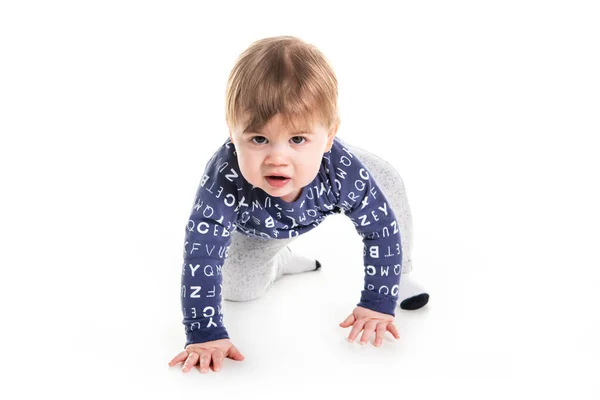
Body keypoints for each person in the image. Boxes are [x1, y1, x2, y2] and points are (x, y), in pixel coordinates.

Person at [168, 35, 429, 374]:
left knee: (386, 178)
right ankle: (280, 263)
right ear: (233, 134)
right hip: (261, 226)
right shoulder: (223, 180)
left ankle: (400, 277)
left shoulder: (344, 170)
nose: (278, 158)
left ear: (328, 136)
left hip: (325, 185)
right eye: (259, 139)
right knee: (239, 289)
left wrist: (378, 300)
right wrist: (204, 333)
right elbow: (202, 254)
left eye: (297, 139)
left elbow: (379, 230)